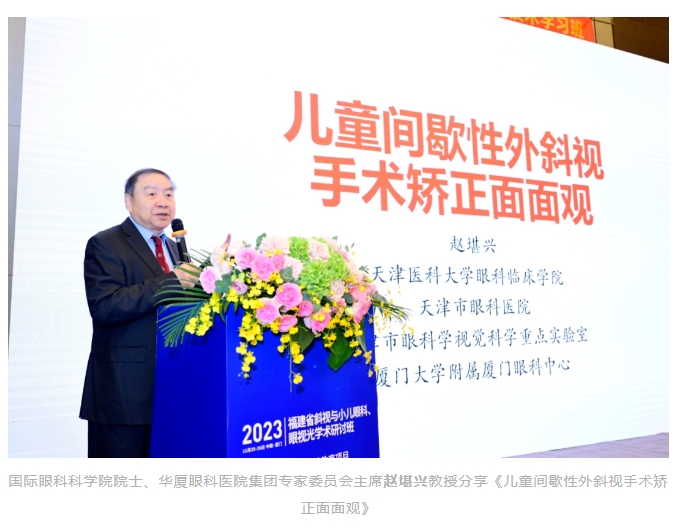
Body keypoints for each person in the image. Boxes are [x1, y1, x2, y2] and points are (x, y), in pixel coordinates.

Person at [79, 168, 195, 457]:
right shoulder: (106, 243)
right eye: (152, 193)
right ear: (129, 202)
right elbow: (105, 307)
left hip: (172, 391)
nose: (163, 201)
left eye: (169, 194)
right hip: (123, 395)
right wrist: (173, 281)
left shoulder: (176, 249)